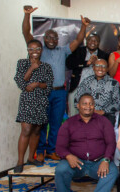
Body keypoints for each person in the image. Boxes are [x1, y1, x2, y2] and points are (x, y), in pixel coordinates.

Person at [22, 5, 90, 162]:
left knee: (56, 123)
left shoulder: (63, 50)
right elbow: (26, 33)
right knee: (40, 122)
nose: (52, 40)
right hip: (42, 92)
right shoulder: (39, 50)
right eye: (49, 38)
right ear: (44, 39)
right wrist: (26, 15)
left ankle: (52, 150)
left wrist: (84, 26)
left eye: (54, 38)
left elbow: (79, 40)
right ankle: (40, 151)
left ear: (57, 40)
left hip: (59, 92)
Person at [55, 93, 118, 192]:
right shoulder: (69, 123)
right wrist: (68, 156)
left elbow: (111, 143)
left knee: (112, 171)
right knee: (61, 169)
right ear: (78, 105)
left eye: (91, 104)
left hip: (97, 163)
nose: (88, 106)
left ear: (94, 106)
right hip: (77, 163)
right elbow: (60, 147)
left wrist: (106, 159)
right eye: (84, 103)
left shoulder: (104, 122)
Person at [13, 39, 54, 173]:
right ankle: (20, 161)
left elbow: (48, 85)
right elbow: (20, 82)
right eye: (31, 49)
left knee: (36, 130)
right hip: (27, 101)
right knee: (26, 130)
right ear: (27, 50)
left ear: (41, 50)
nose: (34, 52)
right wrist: (32, 68)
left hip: (41, 100)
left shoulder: (46, 66)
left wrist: (36, 84)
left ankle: (31, 157)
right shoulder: (22, 63)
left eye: (37, 49)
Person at [66, 33, 110, 116]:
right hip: (77, 88)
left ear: (99, 42)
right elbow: (69, 64)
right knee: (73, 115)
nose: (93, 42)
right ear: (86, 41)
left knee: (91, 117)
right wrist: (87, 63)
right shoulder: (78, 51)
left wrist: (97, 63)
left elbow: (108, 73)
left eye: (96, 41)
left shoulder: (104, 55)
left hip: (95, 91)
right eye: (90, 40)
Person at [74, 59, 120, 126]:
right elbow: (76, 101)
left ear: (107, 69)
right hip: (87, 114)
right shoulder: (86, 81)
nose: (100, 69)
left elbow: (117, 103)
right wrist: (88, 110)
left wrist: (103, 111)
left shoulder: (114, 83)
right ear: (93, 67)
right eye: (97, 65)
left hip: (106, 115)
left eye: (103, 66)